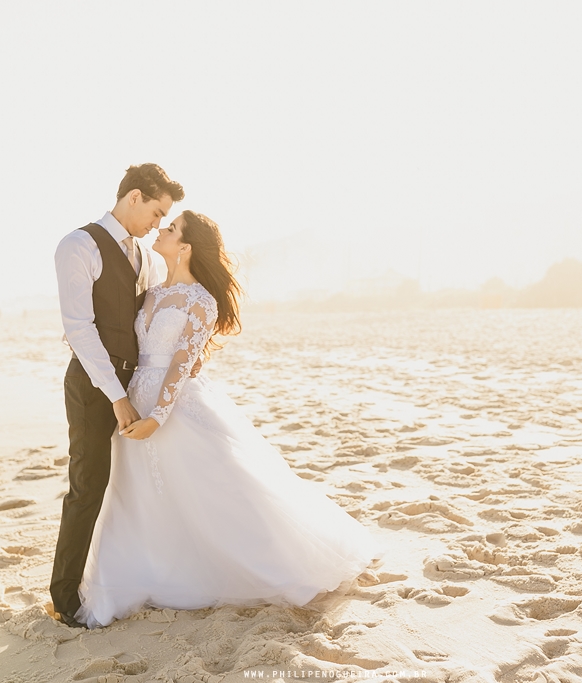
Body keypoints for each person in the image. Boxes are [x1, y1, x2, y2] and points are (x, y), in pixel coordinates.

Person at [73, 210, 384, 628]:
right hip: (134, 403)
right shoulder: (149, 292)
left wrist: (158, 418)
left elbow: (181, 366)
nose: (160, 230)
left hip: (174, 408)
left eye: (170, 228)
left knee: (220, 490)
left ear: (184, 246)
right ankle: (145, 572)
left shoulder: (201, 299)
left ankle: (270, 565)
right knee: (139, 497)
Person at [50, 163, 186, 628]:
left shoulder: (146, 259)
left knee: (138, 485)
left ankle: (138, 577)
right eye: (155, 212)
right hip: (94, 386)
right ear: (133, 197)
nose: (156, 224)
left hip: (136, 386)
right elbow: (79, 329)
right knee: (88, 488)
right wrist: (116, 395)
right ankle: (65, 598)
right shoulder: (78, 245)